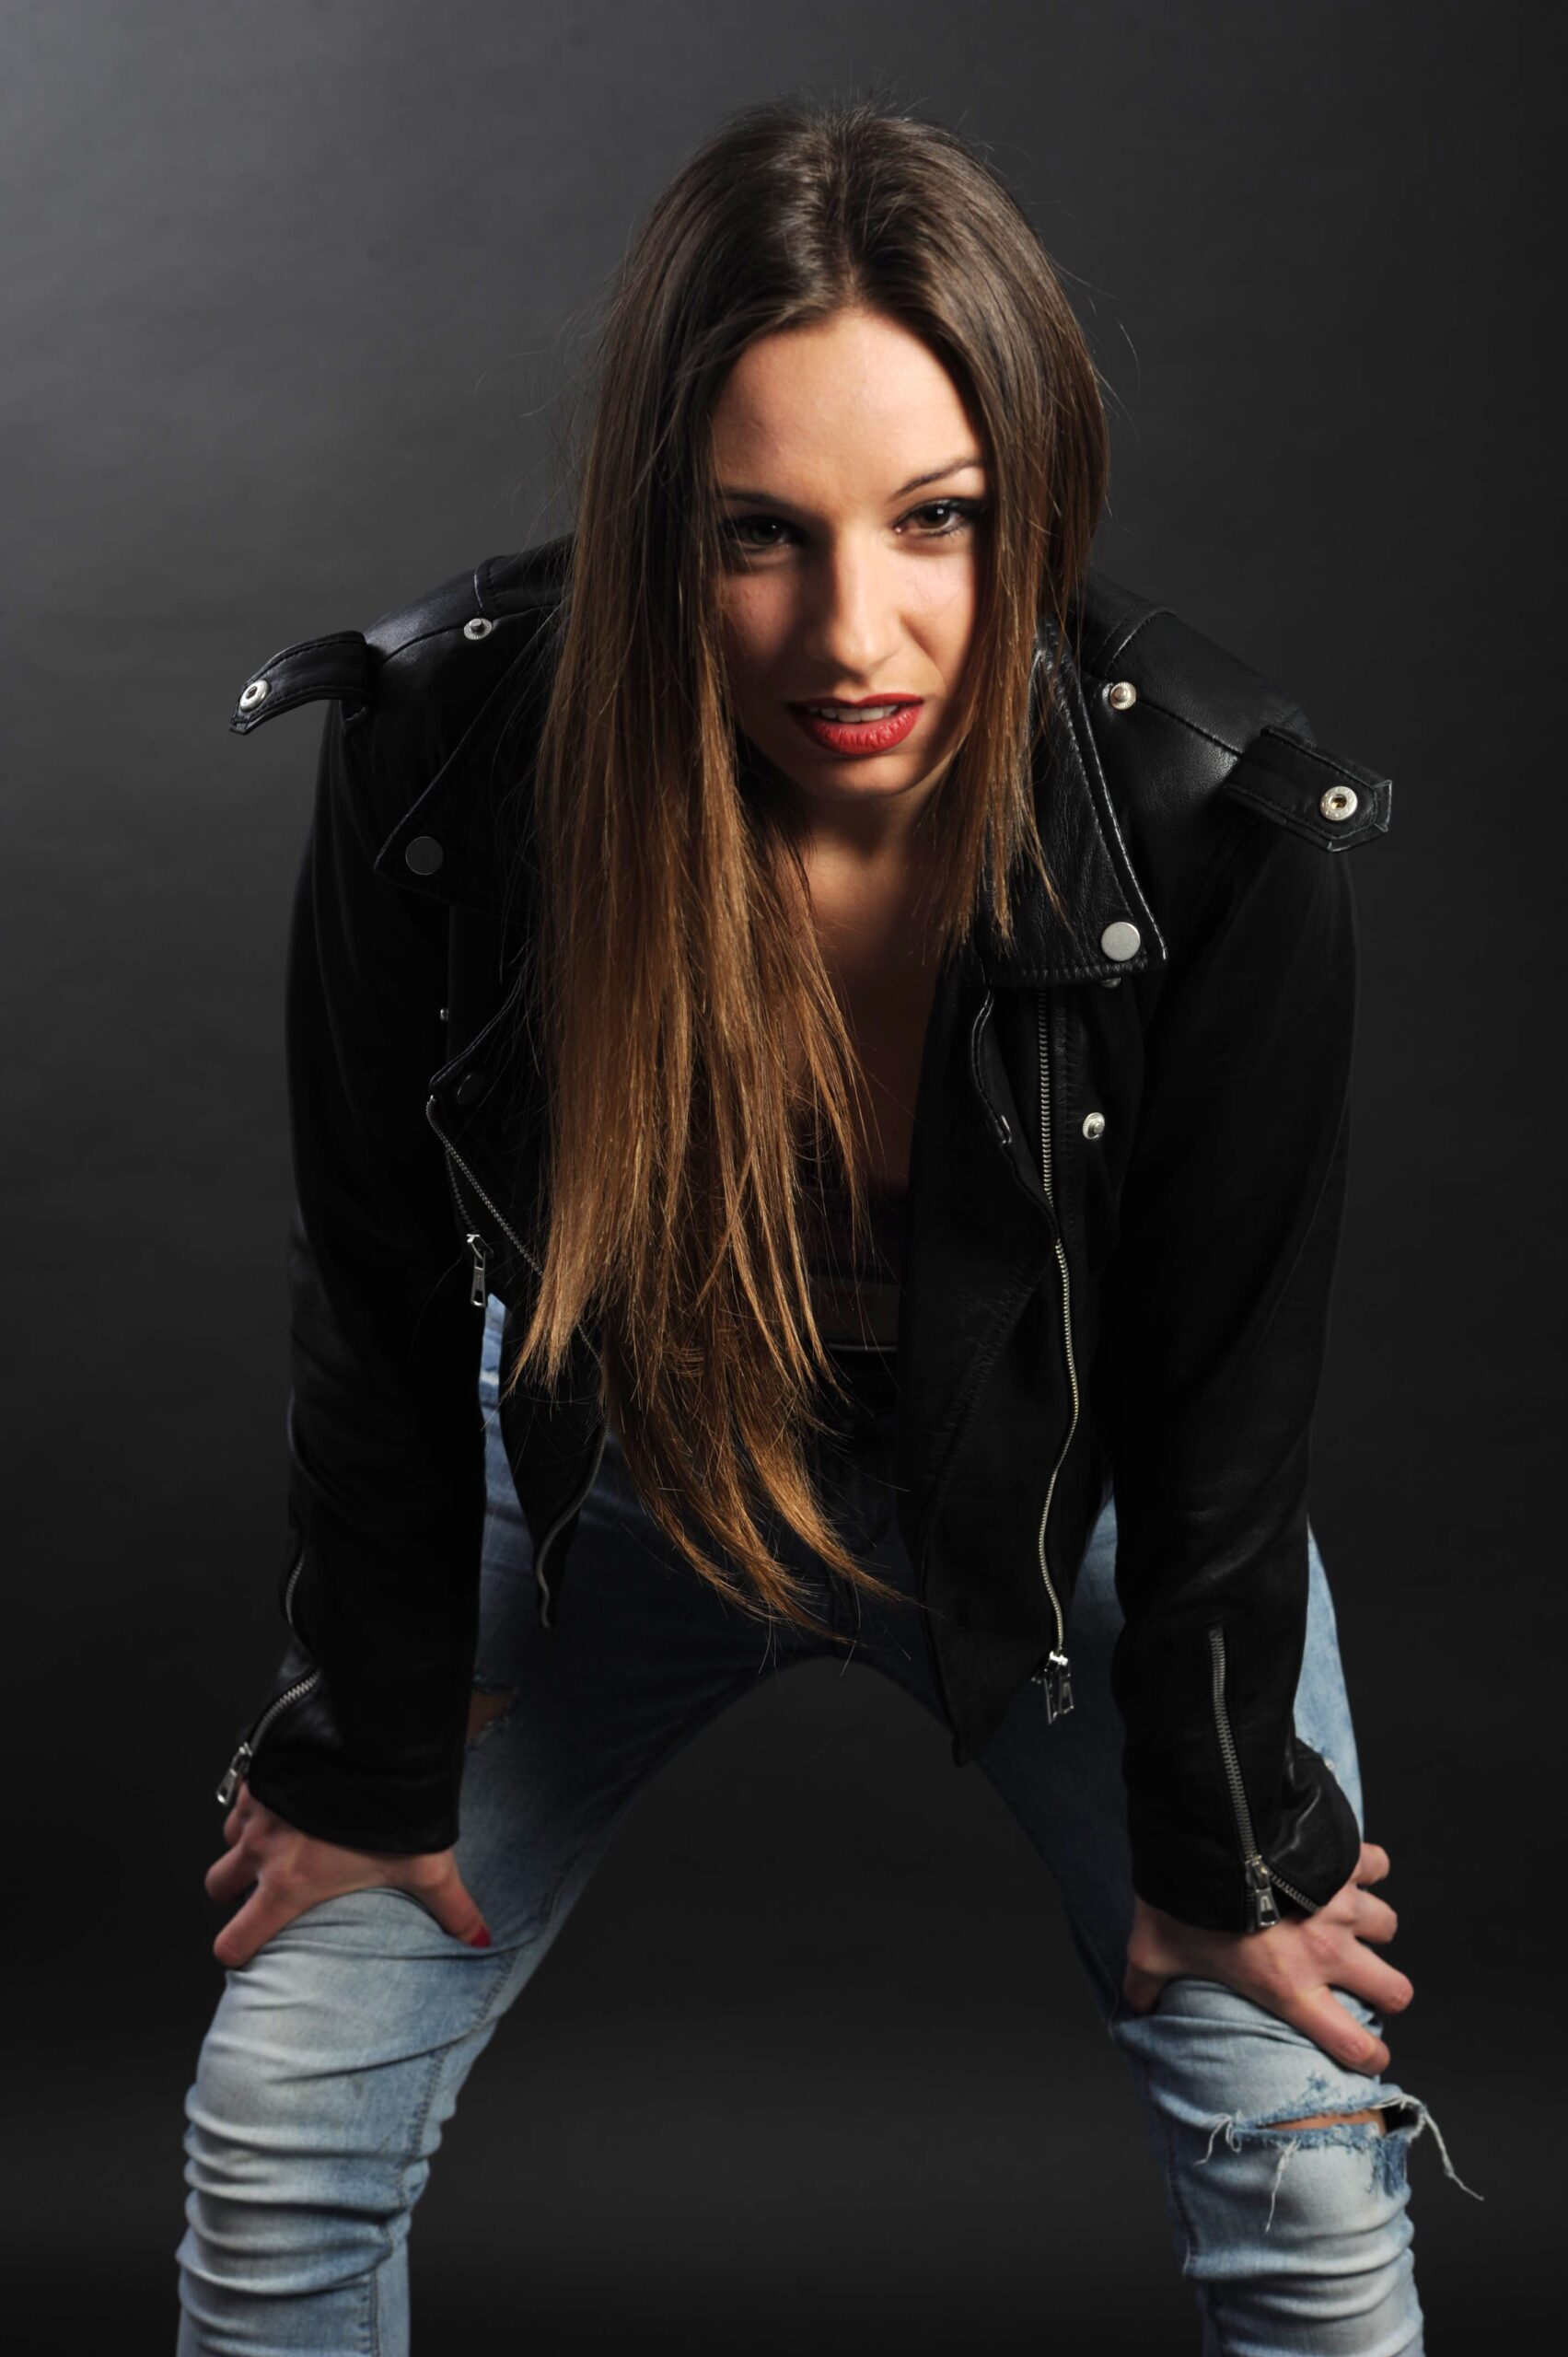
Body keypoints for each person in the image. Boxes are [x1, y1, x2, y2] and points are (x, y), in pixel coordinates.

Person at [177, 94, 1478, 2356]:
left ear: (1033, 497)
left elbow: (1219, 1390)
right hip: (617, 1457)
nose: (851, 631)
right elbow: (376, 1295)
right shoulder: (448, 760)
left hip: (1071, 1492)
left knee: (1308, 2180)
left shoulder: (1217, 824)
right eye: (757, 536)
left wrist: (1225, 1841)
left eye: (939, 521)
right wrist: (370, 1755)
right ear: (654, 525)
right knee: (274, 2130)